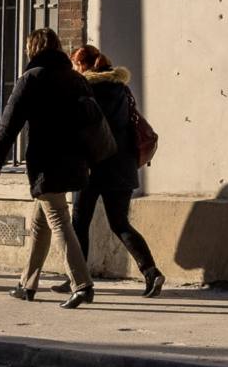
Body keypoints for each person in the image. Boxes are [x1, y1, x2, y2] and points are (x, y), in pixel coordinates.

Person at [0, 25, 97, 308]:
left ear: (32, 49)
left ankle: (82, 284)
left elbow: (9, 125)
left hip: (47, 163)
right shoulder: (76, 80)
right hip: (75, 161)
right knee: (40, 223)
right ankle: (27, 283)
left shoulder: (31, 79)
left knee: (58, 220)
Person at [69, 44, 164, 297]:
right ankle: (151, 271)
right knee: (120, 224)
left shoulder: (85, 90)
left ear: (82, 66)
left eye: (75, 65)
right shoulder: (122, 89)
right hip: (122, 167)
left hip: (92, 168)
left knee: (79, 223)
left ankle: (79, 281)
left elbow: (83, 129)